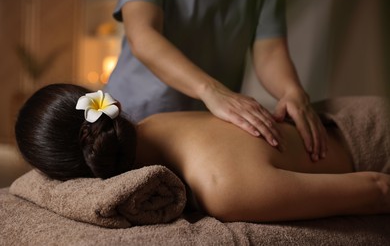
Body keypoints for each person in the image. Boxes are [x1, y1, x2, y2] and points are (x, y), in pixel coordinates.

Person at [15, 84, 390, 222]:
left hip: (371, 138)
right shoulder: (158, 122)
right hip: (357, 108)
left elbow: (379, 190)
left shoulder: (223, 189)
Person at [105, 0, 327, 161]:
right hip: (134, 114)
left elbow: (270, 51)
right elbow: (142, 35)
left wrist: (292, 90)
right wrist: (210, 90)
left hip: (207, 122)